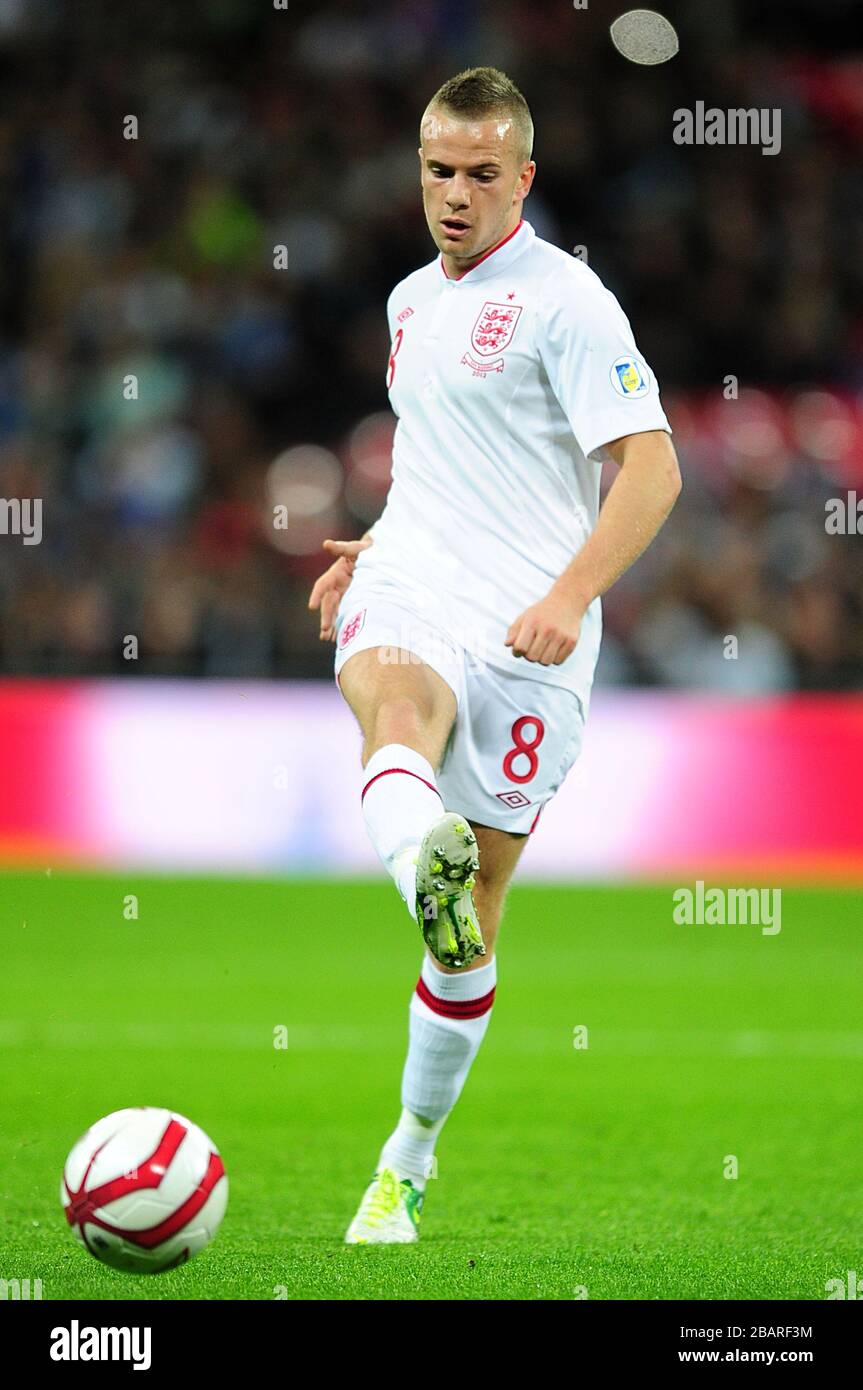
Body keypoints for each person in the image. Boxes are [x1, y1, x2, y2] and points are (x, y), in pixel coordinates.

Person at [308, 66, 681, 1244]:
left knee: (468, 920)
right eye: (436, 170)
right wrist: (367, 544)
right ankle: (418, 843)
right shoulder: (407, 300)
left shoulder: (569, 303)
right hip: (415, 579)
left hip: (531, 628)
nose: (454, 195)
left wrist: (571, 594)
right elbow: (436, 451)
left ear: (523, 176)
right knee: (391, 708)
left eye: (480, 174)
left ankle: (405, 1159)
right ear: (415, 168)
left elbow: (654, 469)